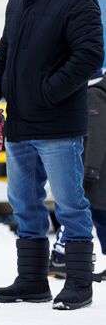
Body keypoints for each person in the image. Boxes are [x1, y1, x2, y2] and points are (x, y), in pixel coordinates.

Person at [0, 0, 104, 310]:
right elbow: (5, 57)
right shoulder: (18, 1)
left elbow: (90, 54)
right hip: (19, 125)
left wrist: (48, 92)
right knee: (23, 204)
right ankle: (32, 280)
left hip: (59, 125)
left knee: (70, 204)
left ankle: (79, 282)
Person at [49, 71, 106, 281]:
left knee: (78, 212)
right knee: (96, 216)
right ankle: (61, 257)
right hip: (98, 171)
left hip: (95, 171)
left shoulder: (94, 95)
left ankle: (61, 258)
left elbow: (97, 137)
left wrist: (90, 170)